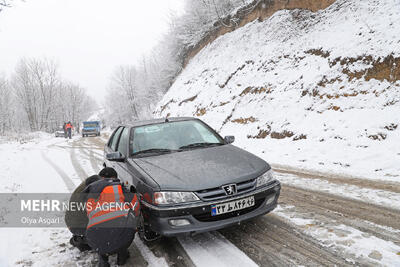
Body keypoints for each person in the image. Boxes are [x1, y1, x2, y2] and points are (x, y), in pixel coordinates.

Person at [83, 167, 139, 267]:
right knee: (125, 223)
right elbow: (135, 205)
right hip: (122, 236)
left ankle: (103, 261)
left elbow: (90, 217)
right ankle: (122, 256)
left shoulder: (88, 195)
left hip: (96, 241)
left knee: (98, 230)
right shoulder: (118, 188)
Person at [65, 168, 118, 251]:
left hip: (72, 222)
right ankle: (79, 240)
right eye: (112, 180)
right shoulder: (96, 189)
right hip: (79, 225)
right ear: (105, 178)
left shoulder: (92, 182)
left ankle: (83, 239)